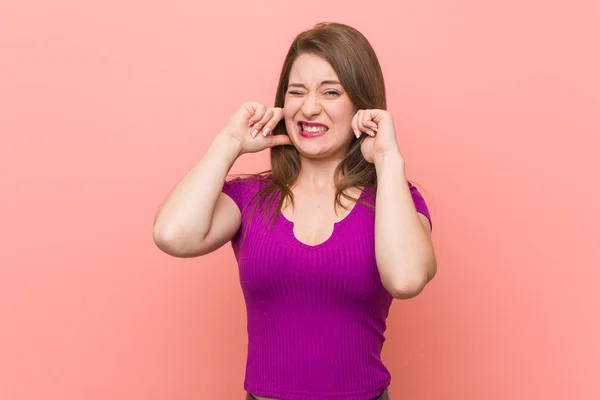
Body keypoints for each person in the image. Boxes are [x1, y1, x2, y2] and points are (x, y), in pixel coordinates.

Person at [153, 22, 437, 400]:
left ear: (362, 105)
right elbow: (172, 234)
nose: (310, 107)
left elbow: (406, 279)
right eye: (297, 92)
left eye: (331, 92)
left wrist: (386, 158)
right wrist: (229, 143)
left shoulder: (393, 199)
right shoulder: (249, 196)